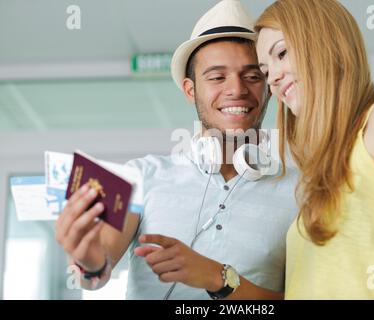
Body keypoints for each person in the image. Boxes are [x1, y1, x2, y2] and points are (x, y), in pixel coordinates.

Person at [55, 0, 298, 300]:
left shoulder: (300, 190)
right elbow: (96, 269)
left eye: (252, 76)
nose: (236, 89)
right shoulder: (141, 176)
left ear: (268, 86)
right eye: (217, 77)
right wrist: (90, 264)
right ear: (190, 90)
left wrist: (217, 278)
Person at [255, 0, 374, 299]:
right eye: (265, 71)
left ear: (324, 41)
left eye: (281, 53)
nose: (273, 78)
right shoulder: (317, 172)